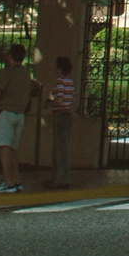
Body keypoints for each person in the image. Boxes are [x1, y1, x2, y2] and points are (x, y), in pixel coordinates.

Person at [0, 44, 33, 193]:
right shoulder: (26, 74)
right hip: (19, 114)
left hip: (5, 113)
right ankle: (16, 180)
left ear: (10, 56)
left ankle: (8, 182)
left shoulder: (7, 73)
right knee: (13, 149)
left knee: (4, 148)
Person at [42, 56, 75, 189]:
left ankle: (60, 178)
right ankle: (60, 177)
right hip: (68, 114)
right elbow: (71, 100)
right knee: (63, 147)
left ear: (59, 68)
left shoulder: (60, 82)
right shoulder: (70, 82)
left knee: (59, 148)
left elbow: (59, 101)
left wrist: (48, 103)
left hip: (60, 115)